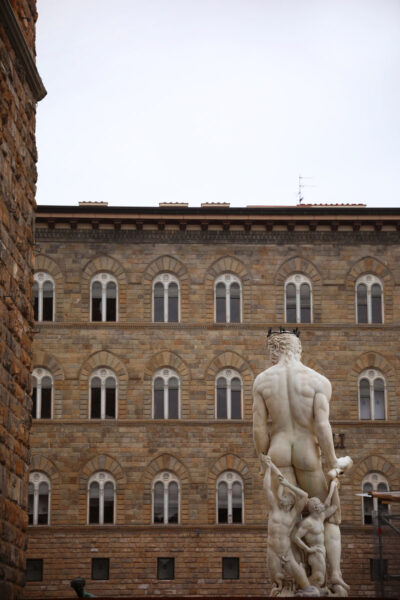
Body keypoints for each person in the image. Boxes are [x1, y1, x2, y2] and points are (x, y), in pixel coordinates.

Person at [253, 329, 352, 593]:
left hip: (279, 451)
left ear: (273, 352)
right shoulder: (318, 381)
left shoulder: (262, 381)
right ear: (299, 350)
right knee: (325, 518)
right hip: (307, 452)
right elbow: (322, 426)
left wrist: (263, 459)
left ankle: (291, 585)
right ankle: (335, 579)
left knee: (285, 518)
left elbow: (259, 429)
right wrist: (332, 462)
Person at [261, 455, 310, 595]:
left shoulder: (293, 514)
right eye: (283, 496)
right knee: (276, 581)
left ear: (291, 502)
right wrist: (268, 469)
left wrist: (288, 486)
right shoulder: (273, 509)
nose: (283, 497)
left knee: (304, 581)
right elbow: (267, 489)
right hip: (272, 550)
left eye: (287, 496)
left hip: (286, 552)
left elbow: (305, 496)